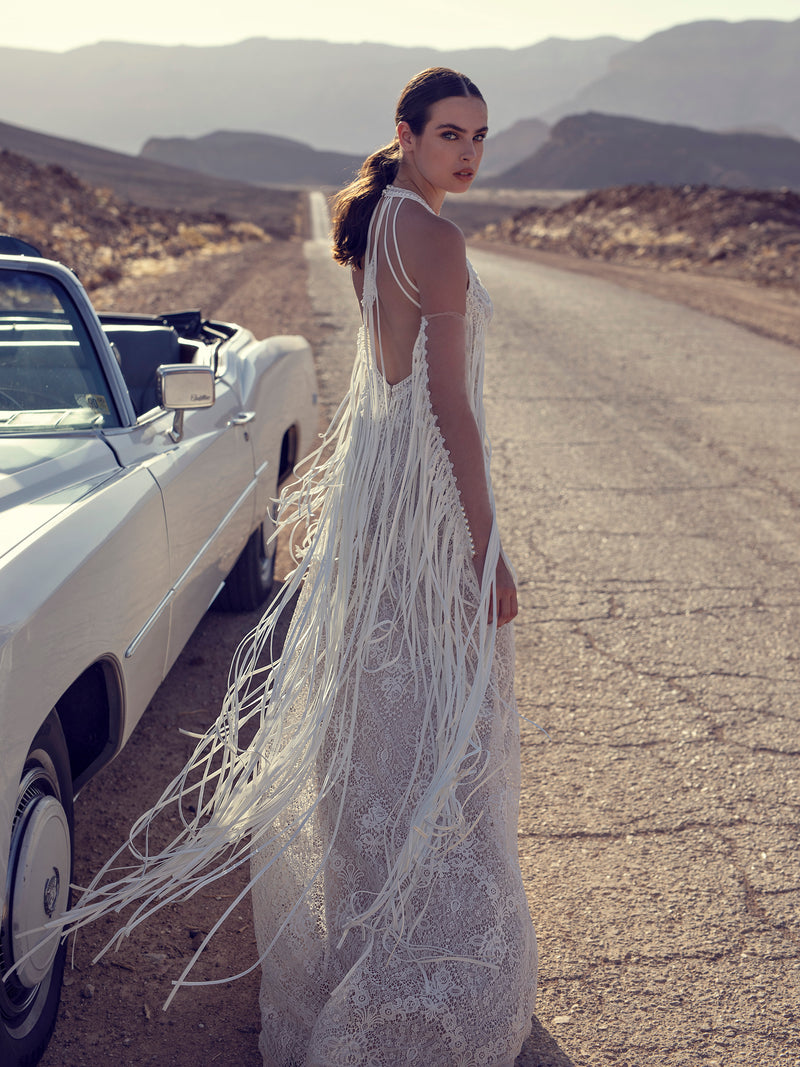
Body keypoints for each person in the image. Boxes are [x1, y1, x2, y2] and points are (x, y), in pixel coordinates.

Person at [60, 66, 537, 1066]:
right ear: (404, 134)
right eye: (449, 132)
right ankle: (420, 950)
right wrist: (485, 543)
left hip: (378, 489)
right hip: (421, 500)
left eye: (480, 136)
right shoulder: (435, 236)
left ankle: (376, 918)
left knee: (383, 702)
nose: (468, 152)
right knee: (445, 712)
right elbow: (448, 409)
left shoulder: (376, 219)